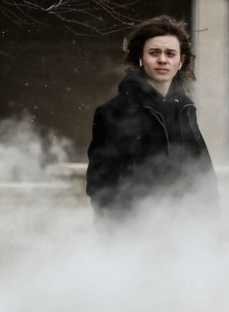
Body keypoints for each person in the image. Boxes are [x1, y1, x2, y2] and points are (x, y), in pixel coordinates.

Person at [86, 15, 219, 225]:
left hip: (186, 237)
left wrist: (211, 232)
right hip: (135, 236)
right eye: (154, 53)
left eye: (170, 53)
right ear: (140, 58)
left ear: (181, 61)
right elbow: (101, 186)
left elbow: (204, 178)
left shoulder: (185, 109)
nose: (162, 60)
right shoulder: (113, 112)